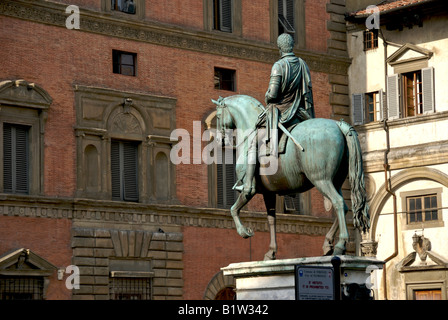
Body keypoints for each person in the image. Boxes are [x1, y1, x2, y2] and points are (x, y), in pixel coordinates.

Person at [235, 33, 315, 195]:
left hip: (282, 113)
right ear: (291, 45)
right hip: (300, 114)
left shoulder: (278, 66)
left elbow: (272, 95)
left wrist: (267, 95)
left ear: (280, 48)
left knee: (253, 143)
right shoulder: (302, 64)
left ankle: (248, 184)